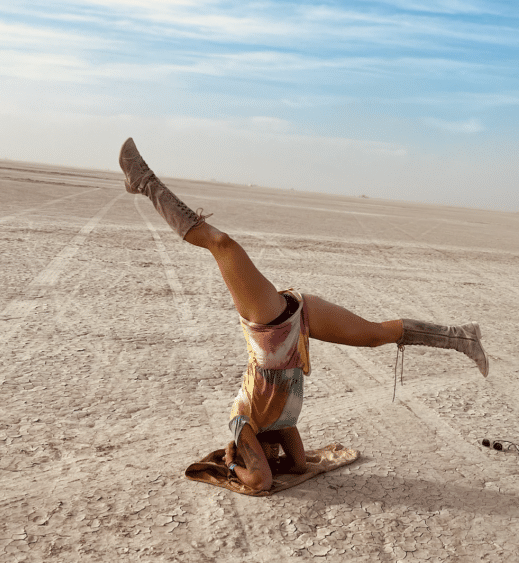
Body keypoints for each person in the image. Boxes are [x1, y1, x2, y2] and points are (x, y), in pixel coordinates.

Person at [120, 138, 488, 493]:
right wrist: (278, 459)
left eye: (265, 455)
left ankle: (145, 182)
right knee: (374, 336)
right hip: (296, 321)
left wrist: (232, 462)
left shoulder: (243, 422)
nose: (274, 455)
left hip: (268, 326)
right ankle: (462, 336)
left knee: (222, 245)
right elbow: (297, 465)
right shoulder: (281, 426)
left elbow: (261, 481)